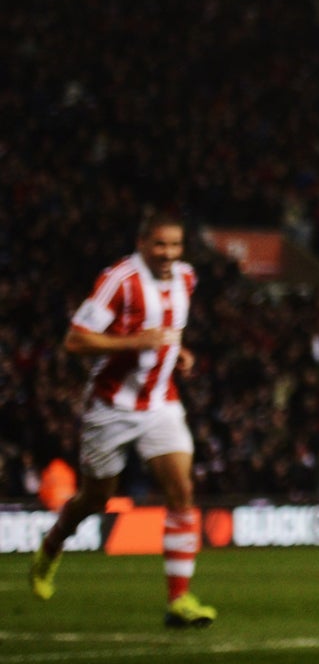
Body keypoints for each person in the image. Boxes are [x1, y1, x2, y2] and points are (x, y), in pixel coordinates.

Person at [27, 213, 217, 628]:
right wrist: (135, 342)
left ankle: (179, 601)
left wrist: (176, 354)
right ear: (142, 242)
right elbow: (74, 340)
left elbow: (169, 331)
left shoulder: (186, 278)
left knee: (182, 490)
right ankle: (52, 545)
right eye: (160, 245)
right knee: (95, 499)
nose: (168, 254)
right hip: (111, 408)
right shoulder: (119, 280)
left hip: (161, 403)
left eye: (175, 245)